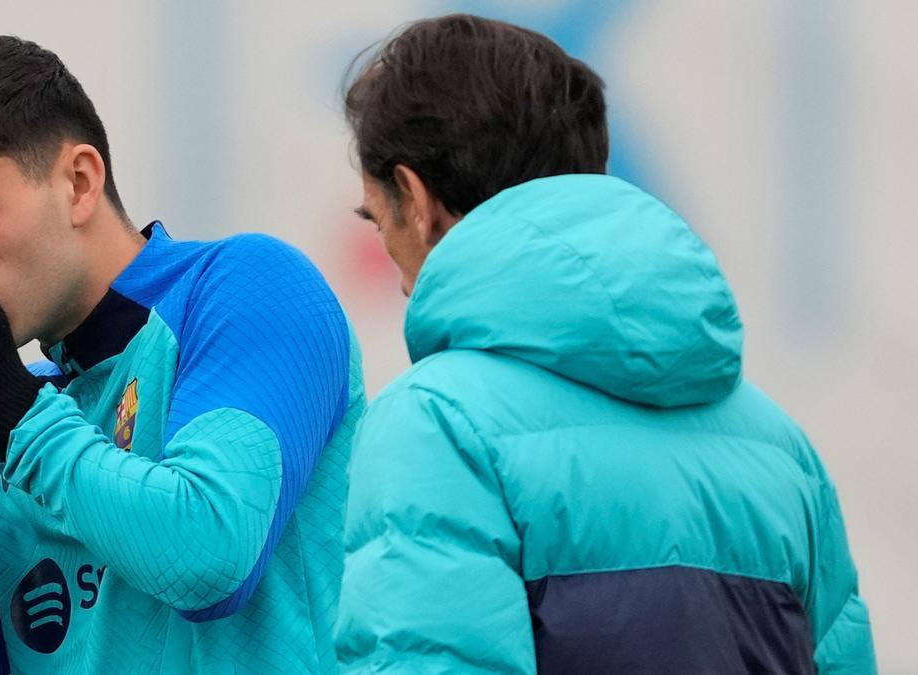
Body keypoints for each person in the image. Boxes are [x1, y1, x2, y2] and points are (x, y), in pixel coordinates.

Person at [336, 14, 875, 674]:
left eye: (377, 217)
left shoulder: (437, 424)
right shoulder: (782, 447)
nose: (394, 273)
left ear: (416, 200)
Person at [0, 35, 363, 674]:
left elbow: (208, 559)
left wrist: (4, 411)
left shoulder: (246, 284)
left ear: (79, 183)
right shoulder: (16, 407)